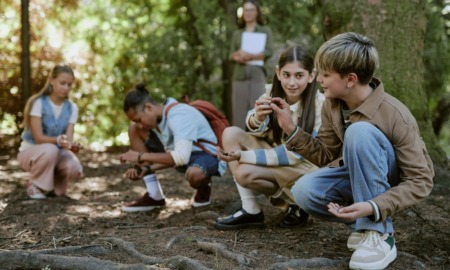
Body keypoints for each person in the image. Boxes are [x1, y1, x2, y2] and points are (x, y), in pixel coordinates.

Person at [270, 32, 434, 269]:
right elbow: (326, 155)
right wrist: (290, 128)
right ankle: (362, 226)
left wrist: (373, 206)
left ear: (350, 79)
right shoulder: (332, 104)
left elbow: (421, 181)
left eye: (326, 75)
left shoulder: (395, 114)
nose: (320, 80)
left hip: (389, 180)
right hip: (353, 173)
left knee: (359, 132)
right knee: (304, 190)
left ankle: (380, 234)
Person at [214, 45, 325, 230]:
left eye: (299, 75)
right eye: (287, 75)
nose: (292, 83)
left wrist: (242, 157)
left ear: (311, 75)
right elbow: (254, 130)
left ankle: (297, 203)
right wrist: (258, 117)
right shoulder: (271, 93)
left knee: (243, 173)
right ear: (278, 73)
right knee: (230, 133)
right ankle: (251, 210)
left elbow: (300, 154)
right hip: (276, 155)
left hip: (303, 166)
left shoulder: (320, 105)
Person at [119, 83, 224, 212]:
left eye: (139, 119)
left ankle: (204, 185)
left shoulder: (178, 115)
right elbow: (174, 155)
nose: (140, 125)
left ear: (148, 108)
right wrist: (146, 169)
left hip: (206, 155)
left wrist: (140, 157)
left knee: (195, 175)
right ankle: (154, 195)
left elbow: (180, 158)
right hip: (184, 155)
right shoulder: (156, 122)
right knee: (133, 129)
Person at [17, 64, 83, 199]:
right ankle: (35, 184)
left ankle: (51, 186)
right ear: (51, 80)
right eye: (62, 83)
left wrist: (71, 145)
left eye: (69, 84)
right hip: (32, 153)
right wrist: (58, 140)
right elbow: (39, 138)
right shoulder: (38, 103)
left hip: (54, 153)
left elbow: (69, 137)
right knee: (50, 149)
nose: (66, 88)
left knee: (73, 165)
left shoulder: (72, 108)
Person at [229, 0, 274, 129]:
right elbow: (230, 55)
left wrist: (251, 56)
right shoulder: (237, 33)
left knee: (259, 107)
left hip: (257, 73)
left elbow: (269, 51)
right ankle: (237, 142)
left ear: (257, 12)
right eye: (245, 10)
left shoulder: (265, 30)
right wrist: (238, 56)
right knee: (238, 110)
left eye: (251, 10)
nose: (248, 13)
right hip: (239, 74)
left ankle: (257, 141)